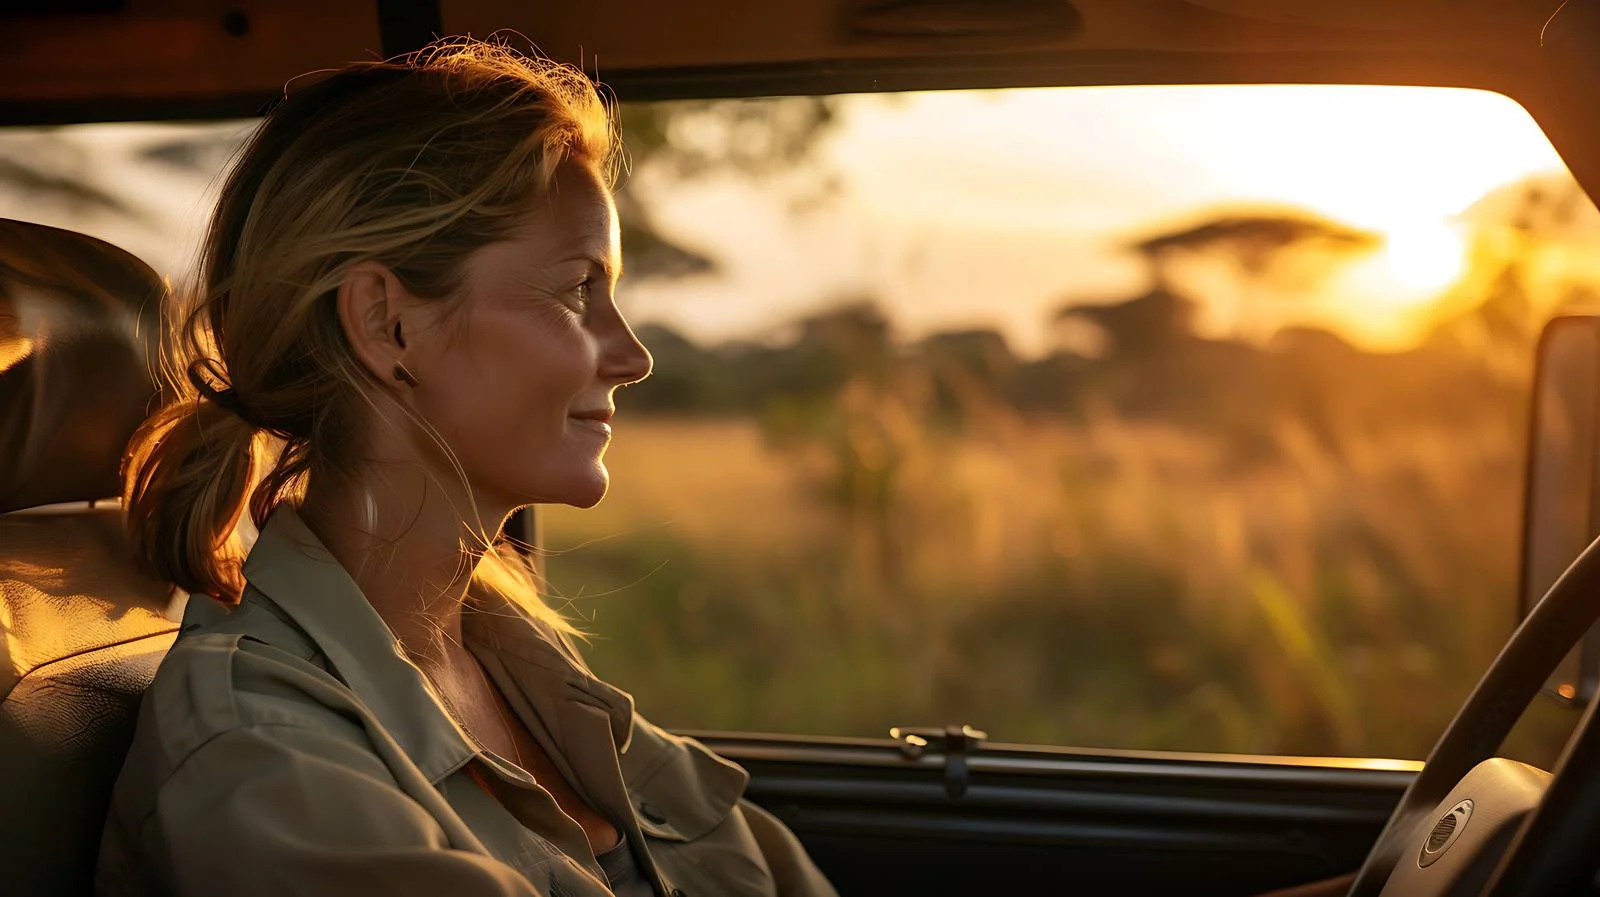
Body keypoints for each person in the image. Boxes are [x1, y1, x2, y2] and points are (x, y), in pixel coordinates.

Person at [95, 38, 838, 897]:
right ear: (387, 325)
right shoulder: (260, 754)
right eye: (575, 290)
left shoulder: (505, 653)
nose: (631, 355)